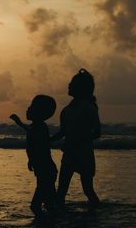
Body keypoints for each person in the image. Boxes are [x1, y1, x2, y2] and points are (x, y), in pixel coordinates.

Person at [51, 68, 101, 208]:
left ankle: (95, 215)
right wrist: (49, 140)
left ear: (81, 88)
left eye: (72, 84)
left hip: (84, 154)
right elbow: (63, 132)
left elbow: (97, 132)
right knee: (61, 190)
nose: (68, 85)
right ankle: (59, 216)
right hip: (69, 154)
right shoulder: (66, 110)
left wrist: (78, 141)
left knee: (88, 190)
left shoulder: (89, 107)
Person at [10, 95, 58, 218]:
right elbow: (30, 133)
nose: (28, 109)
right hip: (43, 168)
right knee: (49, 203)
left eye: (31, 107)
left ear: (40, 112)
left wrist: (19, 123)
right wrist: (19, 123)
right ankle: (54, 220)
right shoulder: (36, 126)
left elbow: (36, 140)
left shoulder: (41, 127)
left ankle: (47, 221)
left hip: (46, 169)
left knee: (36, 205)